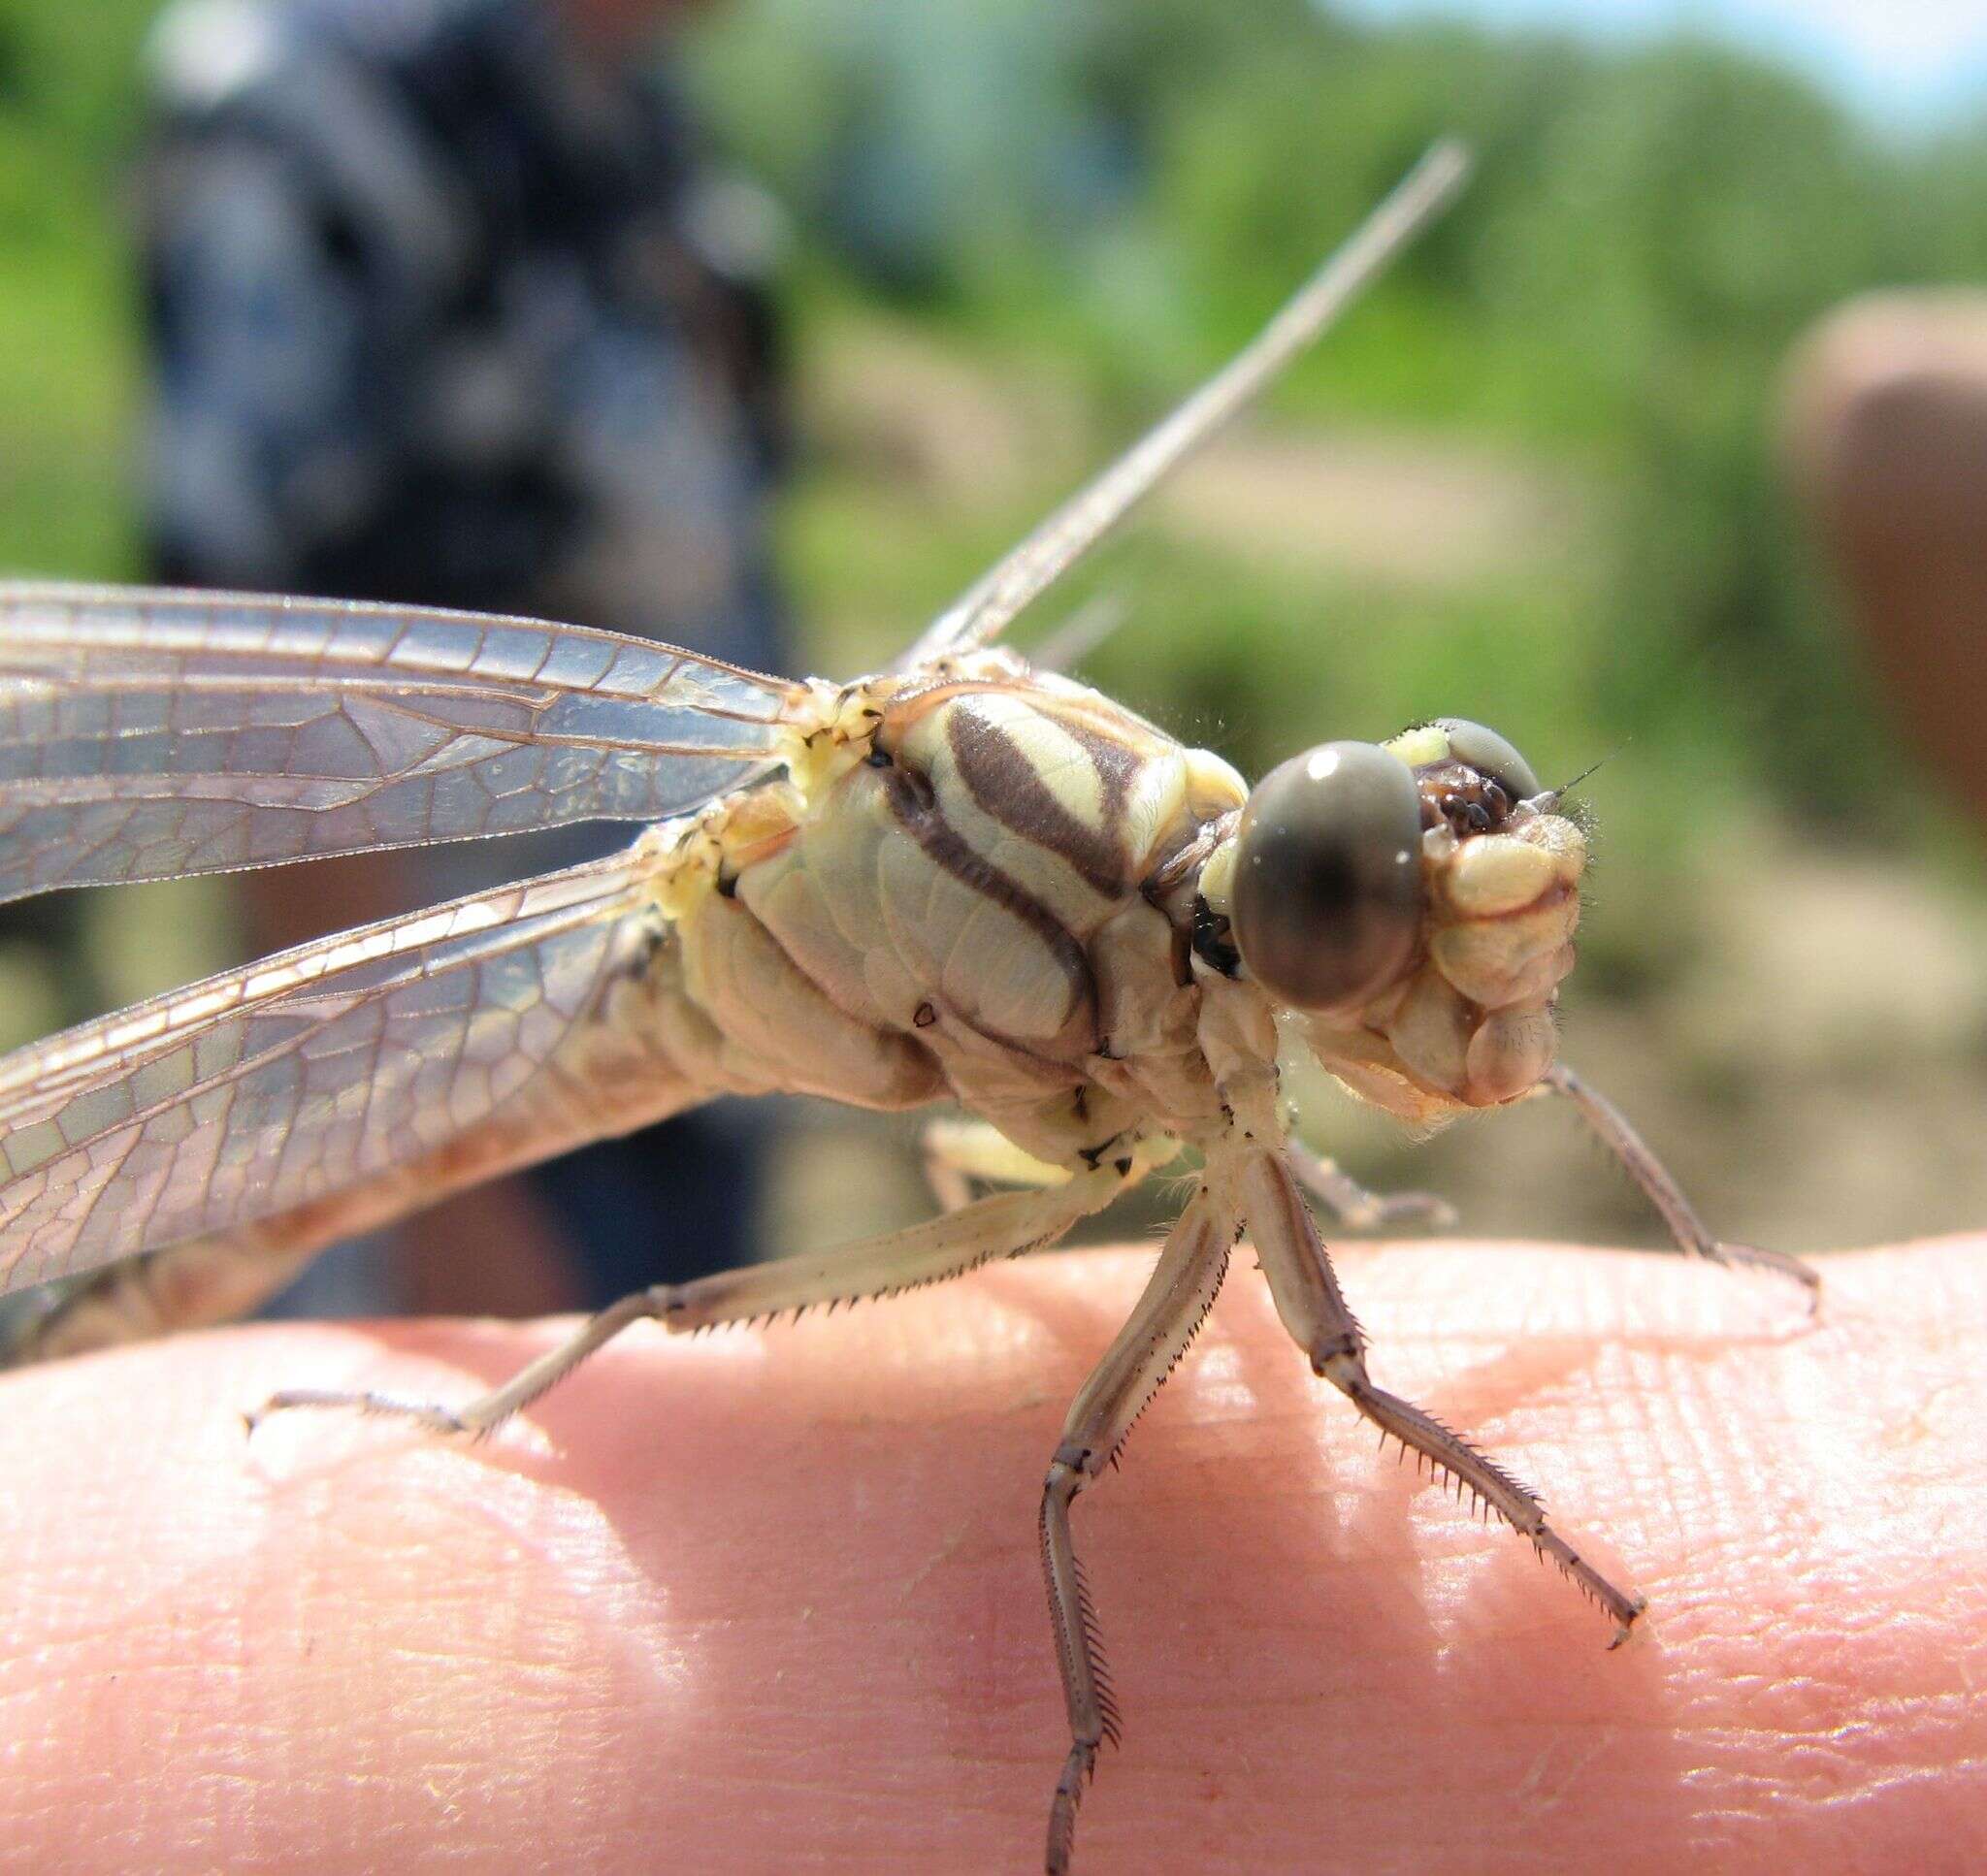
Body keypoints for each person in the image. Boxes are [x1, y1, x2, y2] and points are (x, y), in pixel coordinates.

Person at [134, 0, 789, 1312]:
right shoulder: (318, 104)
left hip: (694, 1072)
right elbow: (253, 670)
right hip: (464, 1118)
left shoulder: (651, 138)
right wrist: (431, 1181)